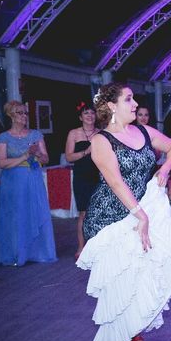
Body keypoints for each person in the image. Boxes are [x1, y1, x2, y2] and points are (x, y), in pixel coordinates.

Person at [77, 82, 171, 341]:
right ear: (111, 107)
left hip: (142, 212)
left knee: (141, 277)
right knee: (119, 282)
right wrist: (140, 215)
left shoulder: (142, 131)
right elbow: (115, 182)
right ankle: (117, 340)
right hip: (111, 218)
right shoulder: (101, 141)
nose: (134, 104)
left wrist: (165, 169)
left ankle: (135, 334)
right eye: (128, 99)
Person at [0, 100, 57, 266]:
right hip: (13, 181)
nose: (24, 116)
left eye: (25, 113)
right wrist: (25, 155)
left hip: (33, 179)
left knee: (35, 213)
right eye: (20, 113)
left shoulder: (36, 135)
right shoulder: (4, 137)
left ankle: (38, 252)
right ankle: (14, 253)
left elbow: (46, 158)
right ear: (11, 115)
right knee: (15, 216)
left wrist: (37, 155)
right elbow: (2, 163)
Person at [64, 101, 100, 259]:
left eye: (92, 113)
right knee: (84, 213)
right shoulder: (74, 133)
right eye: (86, 113)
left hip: (98, 176)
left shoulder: (101, 133)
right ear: (80, 117)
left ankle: (98, 246)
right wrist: (86, 151)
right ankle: (81, 247)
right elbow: (69, 157)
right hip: (81, 177)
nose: (90, 116)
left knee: (98, 213)